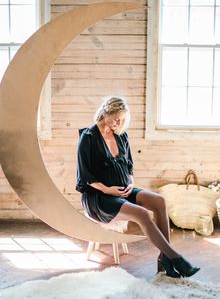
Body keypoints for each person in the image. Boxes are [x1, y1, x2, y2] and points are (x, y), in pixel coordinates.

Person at [76, 96, 200, 278]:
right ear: (105, 112)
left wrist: (131, 183)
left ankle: (164, 258)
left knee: (159, 201)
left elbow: (129, 167)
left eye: (122, 119)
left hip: (123, 190)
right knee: (142, 214)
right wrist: (107, 190)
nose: (119, 122)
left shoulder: (121, 135)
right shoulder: (88, 137)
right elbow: (85, 177)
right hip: (99, 197)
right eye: (116, 118)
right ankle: (175, 258)